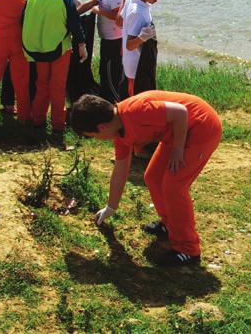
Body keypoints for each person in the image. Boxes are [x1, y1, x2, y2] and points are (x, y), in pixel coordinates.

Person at [72, 92, 222, 266]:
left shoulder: (137, 111)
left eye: (93, 136)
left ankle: (188, 248)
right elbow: (120, 173)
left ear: (101, 127)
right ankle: (170, 224)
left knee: (174, 186)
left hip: (202, 127)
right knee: (153, 177)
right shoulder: (120, 133)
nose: (97, 140)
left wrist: (178, 149)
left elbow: (180, 112)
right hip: (177, 132)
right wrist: (111, 207)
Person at [22, 0, 87, 147]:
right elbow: (75, 24)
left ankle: (38, 121)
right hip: (60, 50)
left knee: (42, 84)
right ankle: (58, 126)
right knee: (57, 86)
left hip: (38, 50)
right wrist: (81, 44)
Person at [77, 0, 125, 102]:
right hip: (106, 40)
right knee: (104, 73)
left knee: (112, 75)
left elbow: (118, 17)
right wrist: (74, 14)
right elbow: (90, 4)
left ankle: (116, 104)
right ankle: (107, 103)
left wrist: (99, 10)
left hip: (114, 41)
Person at [122, 0, 171, 97]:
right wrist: (142, 37)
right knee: (138, 102)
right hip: (137, 70)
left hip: (132, 65)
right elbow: (130, 45)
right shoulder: (138, 12)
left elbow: (119, 20)